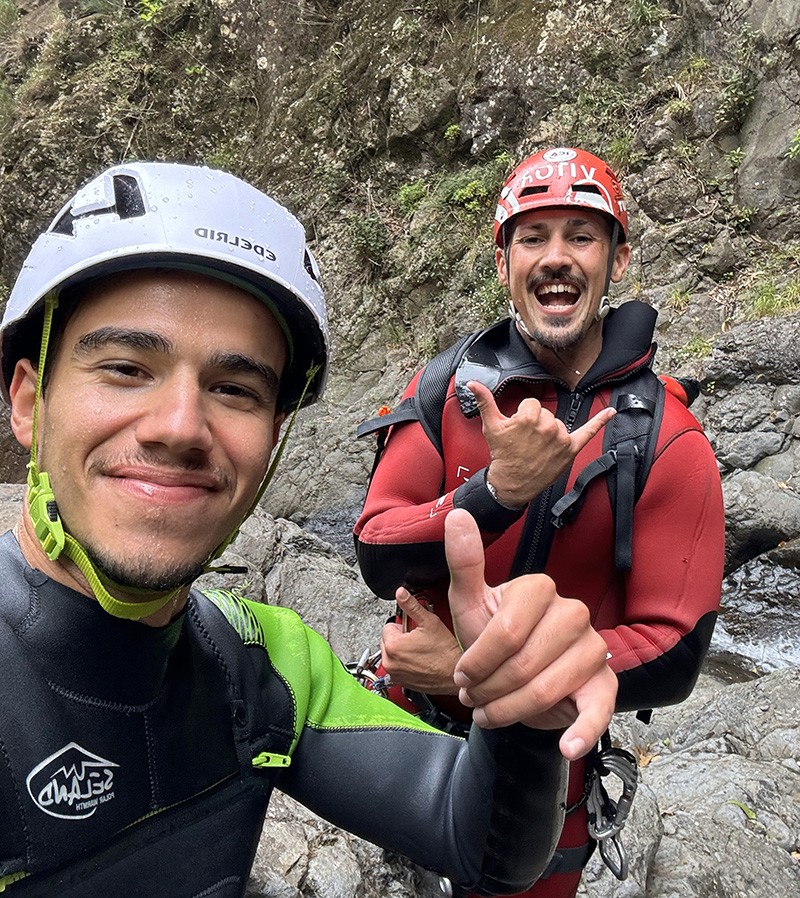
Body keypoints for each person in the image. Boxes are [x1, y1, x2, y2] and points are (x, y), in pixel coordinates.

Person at [0, 161, 617, 898]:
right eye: (127, 368)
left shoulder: (264, 666)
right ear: (30, 403)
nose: (180, 428)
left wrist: (524, 719)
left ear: (274, 438)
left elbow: (479, 844)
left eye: (234, 388)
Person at [354, 147, 726, 898]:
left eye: (581, 236)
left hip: (544, 765)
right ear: (503, 264)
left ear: (617, 261)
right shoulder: (447, 390)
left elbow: (677, 651)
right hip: (410, 722)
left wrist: (471, 664)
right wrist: (498, 492)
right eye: (533, 237)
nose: (556, 257)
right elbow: (376, 551)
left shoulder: (669, 440)